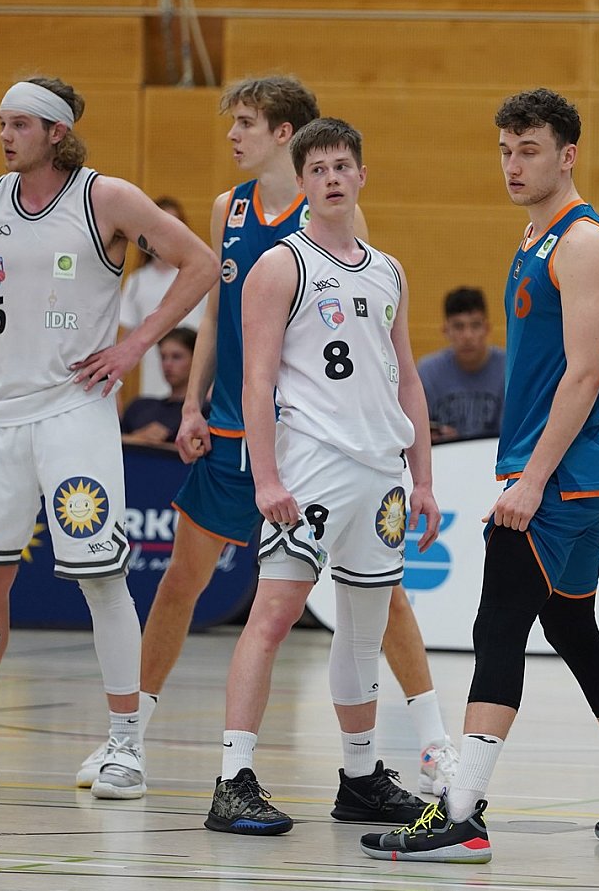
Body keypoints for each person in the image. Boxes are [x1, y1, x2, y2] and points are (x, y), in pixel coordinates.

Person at [83, 76, 460, 798]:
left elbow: (369, 344)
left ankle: (430, 744)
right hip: (233, 432)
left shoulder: (339, 224)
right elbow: (216, 314)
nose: (233, 135)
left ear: (285, 133)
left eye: (247, 122)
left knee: (377, 601)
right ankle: (127, 741)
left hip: (306, 446)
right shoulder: (229, 208)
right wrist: (190, 403)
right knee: (181, 583)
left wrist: (408, 464)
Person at [362, 88, 599, 864]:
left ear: (568, 155)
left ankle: (460, 813)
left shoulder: (585, 242)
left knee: (497, 627)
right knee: (571, 628)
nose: (513, 164)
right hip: (574, 474)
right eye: (505, 150)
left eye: (529, 150)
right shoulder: (535, 235)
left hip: (563, 475)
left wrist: (531, 480)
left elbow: (587, 373)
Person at [0, 76, 217, 801]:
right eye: (1, 122)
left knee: (99, 576)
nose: (4, 135)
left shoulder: (105, 198)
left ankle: (125, 743)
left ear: (57, 132)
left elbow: (201, 263)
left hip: (75, 410)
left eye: (19, 123)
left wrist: (135, 344)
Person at [205, 118, 437, 835]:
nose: (333, 178)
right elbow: (257, 379)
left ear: (362, 175)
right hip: (310, 466)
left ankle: (361, 778)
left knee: (365, 627)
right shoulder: (282, 265)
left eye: (343, 166)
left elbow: (407, 380)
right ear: (303, 181)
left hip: (381, 472)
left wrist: (424, 480)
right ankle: (232, 780)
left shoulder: (389, 269)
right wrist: (266, 477)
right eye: (319, 169)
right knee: (273, 615)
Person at [120, 197, 206, 399]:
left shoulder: (200, 276)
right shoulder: (137, 281)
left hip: (195, 394)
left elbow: (210, 332)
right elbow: (125, 339)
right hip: (152, 391)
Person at [417, 286, 506, 441]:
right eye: (458, 326)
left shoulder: (509, 369)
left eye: (475, 325)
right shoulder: (427, 372)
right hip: (445, 455)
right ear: (446, 330)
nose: (467, 336)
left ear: (487, 329)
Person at [121, 327, 195, 444]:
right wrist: (137, 438)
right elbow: (110, 442)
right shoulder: (139, 407)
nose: (168, 364)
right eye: (163, 357)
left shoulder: (206, 412)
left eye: (176, 357)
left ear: (196, 360)